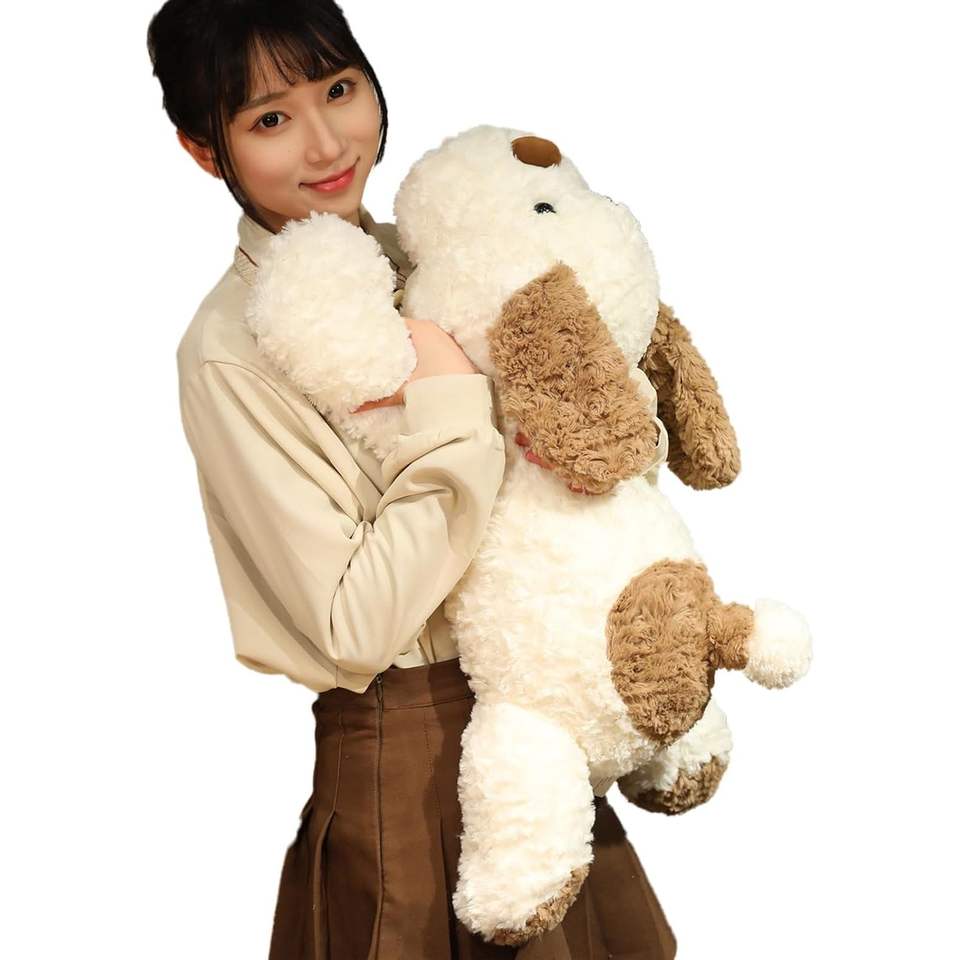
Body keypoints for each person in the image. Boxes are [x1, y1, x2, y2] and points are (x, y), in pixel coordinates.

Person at [147, 2, 678, 957]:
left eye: (340, 89)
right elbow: (354, 625)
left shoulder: (445, 257)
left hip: (539, 730)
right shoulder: (229, 350)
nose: (326, 143)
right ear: (202, 148)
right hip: (407, 759)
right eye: (271, 118)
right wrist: (458, 412)